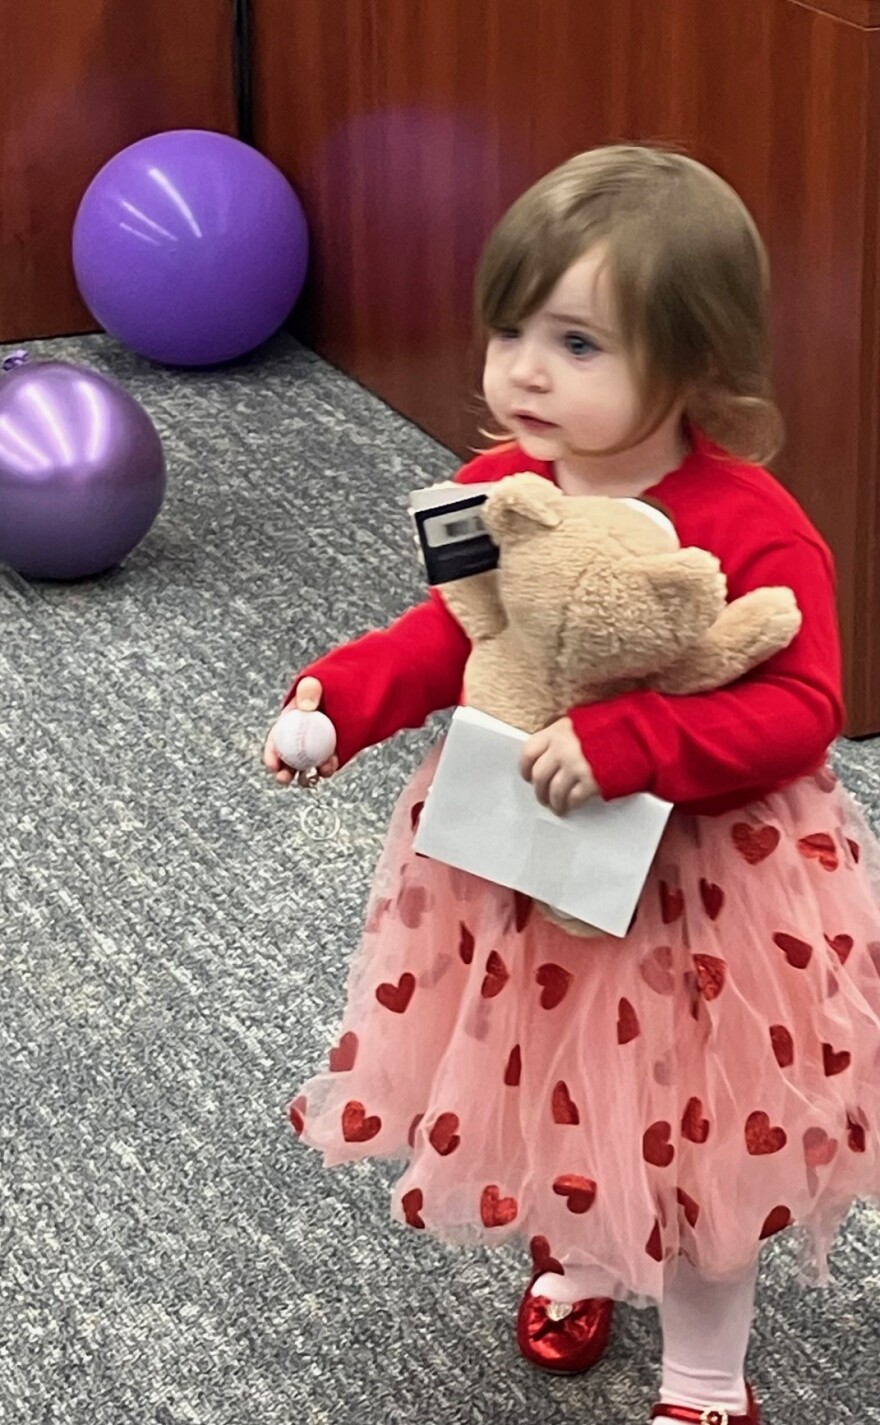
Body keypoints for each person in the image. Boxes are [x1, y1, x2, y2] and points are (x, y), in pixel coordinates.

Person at [265, 146, 880, 1424]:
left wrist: (639, 742)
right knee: (545, 1078)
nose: (525, 370)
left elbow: (803, 708)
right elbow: (454, 633)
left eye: (580, 343)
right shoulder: (499, 488)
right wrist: (343, 701)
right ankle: (581, 1252)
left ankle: (705, 1378)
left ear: (695, 362)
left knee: (705, 1133)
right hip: (526, 871)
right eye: (511, 329)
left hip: (702, 892)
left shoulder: (750, 521)